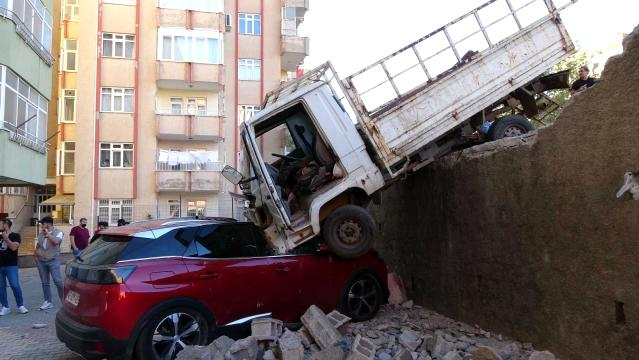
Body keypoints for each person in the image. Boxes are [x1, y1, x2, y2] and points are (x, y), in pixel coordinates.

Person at [34, 216, 64, 310]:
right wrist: (36, 256)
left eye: (42, 224)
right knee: (45, 282)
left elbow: (56, 242)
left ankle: (64, 301)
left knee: (58, 282)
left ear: (47, 224)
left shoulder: (59, 232)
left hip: (53, 260)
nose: (41, 226)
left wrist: (48, 234)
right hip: (41, 261)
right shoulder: (40, 234)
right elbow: (38, 246)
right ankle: (48, 301)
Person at [0, 219, 28, 315]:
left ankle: (21, 306)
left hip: (11, 265)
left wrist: (6, 238)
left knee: (15, 285)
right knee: (1, 287)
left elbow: (13, 247)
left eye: (1, 223)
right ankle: (5, 307)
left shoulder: (15, 236)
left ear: (6, 224)